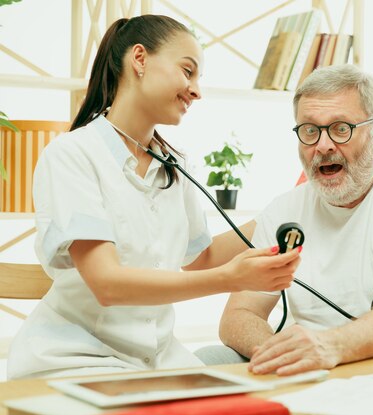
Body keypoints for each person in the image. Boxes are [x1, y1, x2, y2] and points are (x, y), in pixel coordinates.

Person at [7, 15, 300, 380]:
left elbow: (200, 257)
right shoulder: (72, 155)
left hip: (158, 359)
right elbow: (107, 283)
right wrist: (232, 279)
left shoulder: (174, 165)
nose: (196, 91)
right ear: (140, 59)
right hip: (76, 358)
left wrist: (288, 207)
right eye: (187, 71)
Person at [197, 64, 373, 376]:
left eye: (341, 128)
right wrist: (279, 354)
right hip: (321, 375)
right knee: (204, 363)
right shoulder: (284, 211)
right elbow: (241, 312)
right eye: (309, 130)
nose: (323, 145)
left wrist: (325, 348)